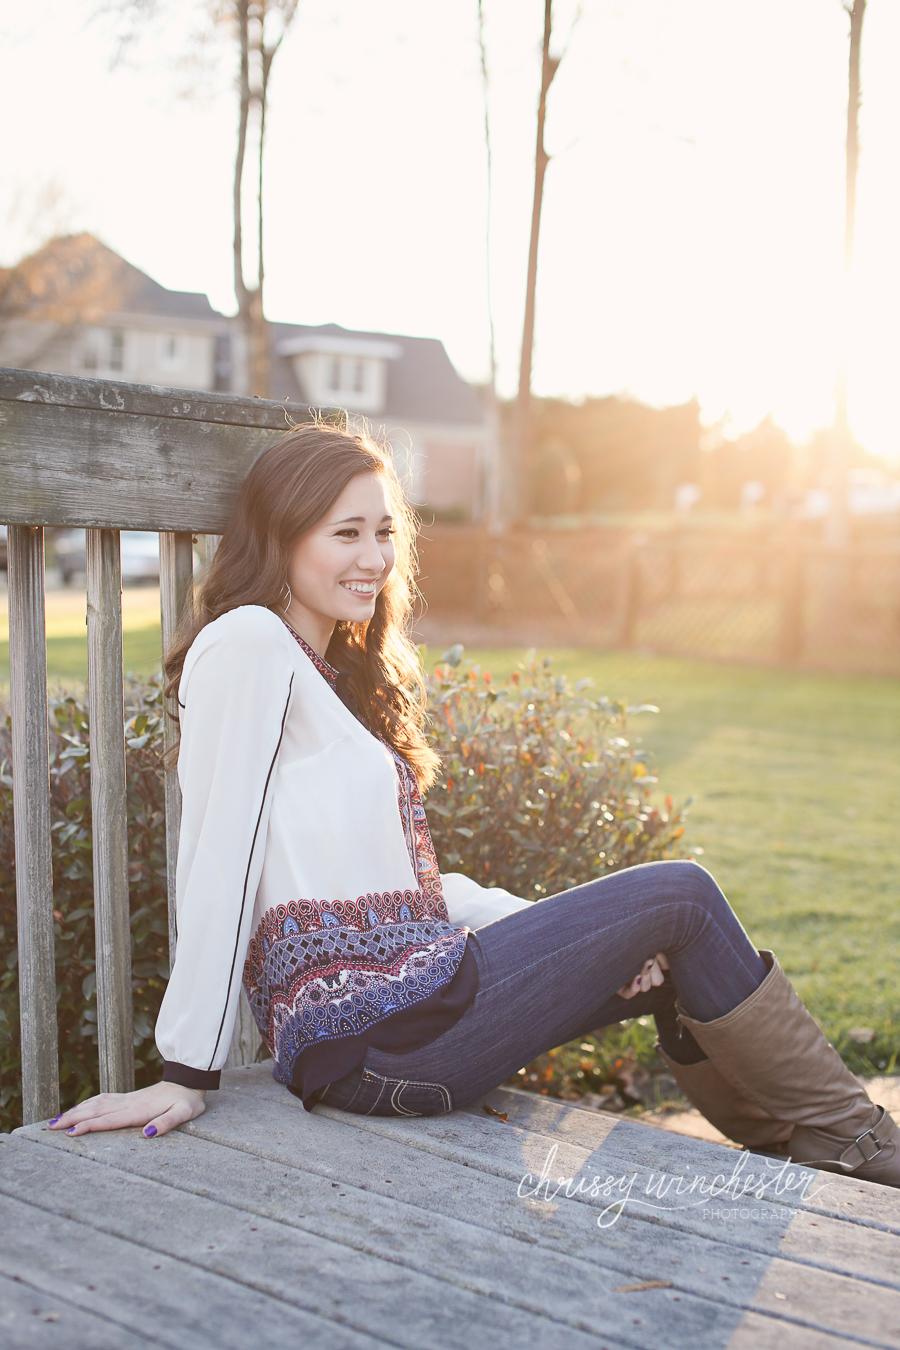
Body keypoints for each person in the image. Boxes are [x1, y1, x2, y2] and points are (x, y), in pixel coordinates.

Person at [49, 423, 899, 1188]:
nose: (373, 559)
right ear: (281, 540)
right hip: (379, 1036)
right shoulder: (247, 643)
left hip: (414, 1012)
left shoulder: (320, 680)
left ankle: (816, 1152)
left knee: (674, 947)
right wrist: (185, 1071)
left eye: (384, 533)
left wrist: (587, 942)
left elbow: (416, 893)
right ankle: (864, 1144)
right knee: (680, 892)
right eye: (344, 534)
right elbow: (217, 853)